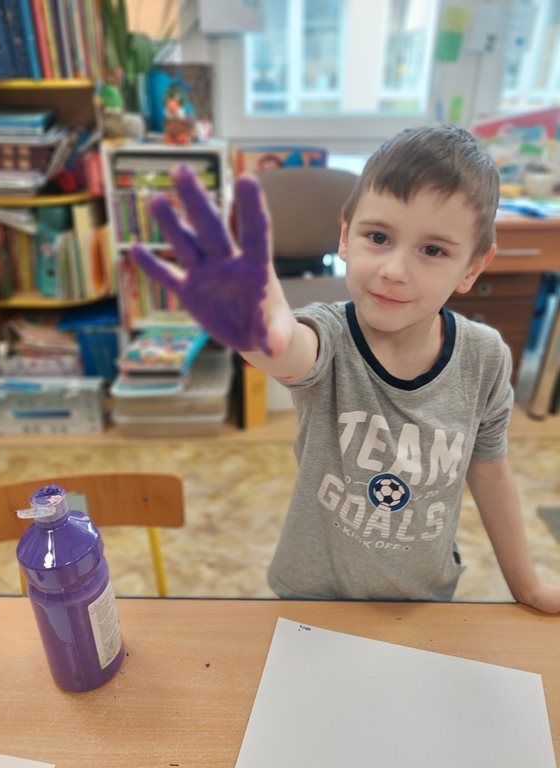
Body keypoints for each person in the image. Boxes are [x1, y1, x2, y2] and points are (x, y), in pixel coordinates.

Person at [132, 125, 560, 614]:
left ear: (472, 268)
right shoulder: (329, 334)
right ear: (345, 235)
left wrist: (527, 586)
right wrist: (264, 336)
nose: (394, 270)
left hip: (425, 595)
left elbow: (490, 472)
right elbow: (292, 350)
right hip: (315, 598)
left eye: (433, 250)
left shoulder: (485, 358)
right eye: (378, 237)